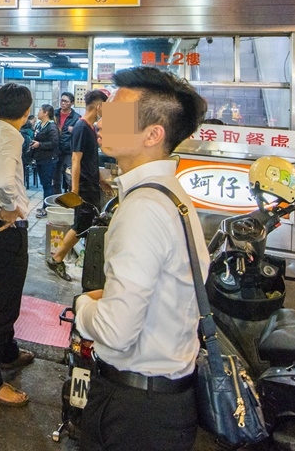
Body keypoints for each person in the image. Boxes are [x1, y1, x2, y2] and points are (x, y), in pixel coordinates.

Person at [73, 67, 209, 451]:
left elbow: (116, 332)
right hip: (164, 401)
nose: (103, 118)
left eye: (118, 113)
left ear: (153, 134)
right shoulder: (171, 196)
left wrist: (82, 305)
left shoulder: (143, 208)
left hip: (135, 410)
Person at [0, 83, 36, 408]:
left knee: (6, 298)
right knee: (5, 308)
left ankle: (9, 353)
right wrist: (12, 205)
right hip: (6, 231)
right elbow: (3, 179)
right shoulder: (12, 136)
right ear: (26, 112)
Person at [48, 90, 108, 280]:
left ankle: (67, 258)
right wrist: (74, 190)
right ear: (98, 106)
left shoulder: (90, 128)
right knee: (82, 225)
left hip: (91, 184)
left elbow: (90, 159)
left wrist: (102, 181)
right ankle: (57, 258)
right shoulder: (82, 127)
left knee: (87, 224)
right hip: (83, 187)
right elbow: (76, 159)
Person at [32, 105, 60, 216]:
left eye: (40, 110)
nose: (38, 112)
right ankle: (46, 206)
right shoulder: (39, 125)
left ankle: (48, 208)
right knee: (44, 184)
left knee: (47, 185)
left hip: (49, 159)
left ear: (46, 113)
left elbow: (54, 142)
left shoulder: (51, 126)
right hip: (40, 158)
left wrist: (40, 144)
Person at [56, 91, 81, 192]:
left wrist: (74, 130)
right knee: (55, 178)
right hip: (55, 151)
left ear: (72, 103)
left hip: (69, 152)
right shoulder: (54, 114)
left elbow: (80, 134)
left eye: (66, 101)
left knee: (69, 177)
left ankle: (69, 200)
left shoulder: (77, 117)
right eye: (62, 101)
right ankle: (54, 202)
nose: (63, 103)